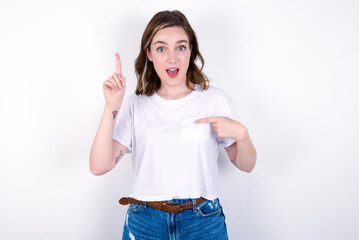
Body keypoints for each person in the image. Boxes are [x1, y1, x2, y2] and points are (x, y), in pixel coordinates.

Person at [89, 10, 256, 240]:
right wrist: (111, 106)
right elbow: (99, 166)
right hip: (145, 223)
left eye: (180, 47)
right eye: (161, 48)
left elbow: (246, 165)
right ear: (148, 53)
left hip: (203, 222)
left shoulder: (215, 99)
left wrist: (242, 135)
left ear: (191, 51)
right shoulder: (136, 105)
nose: (172, 58)